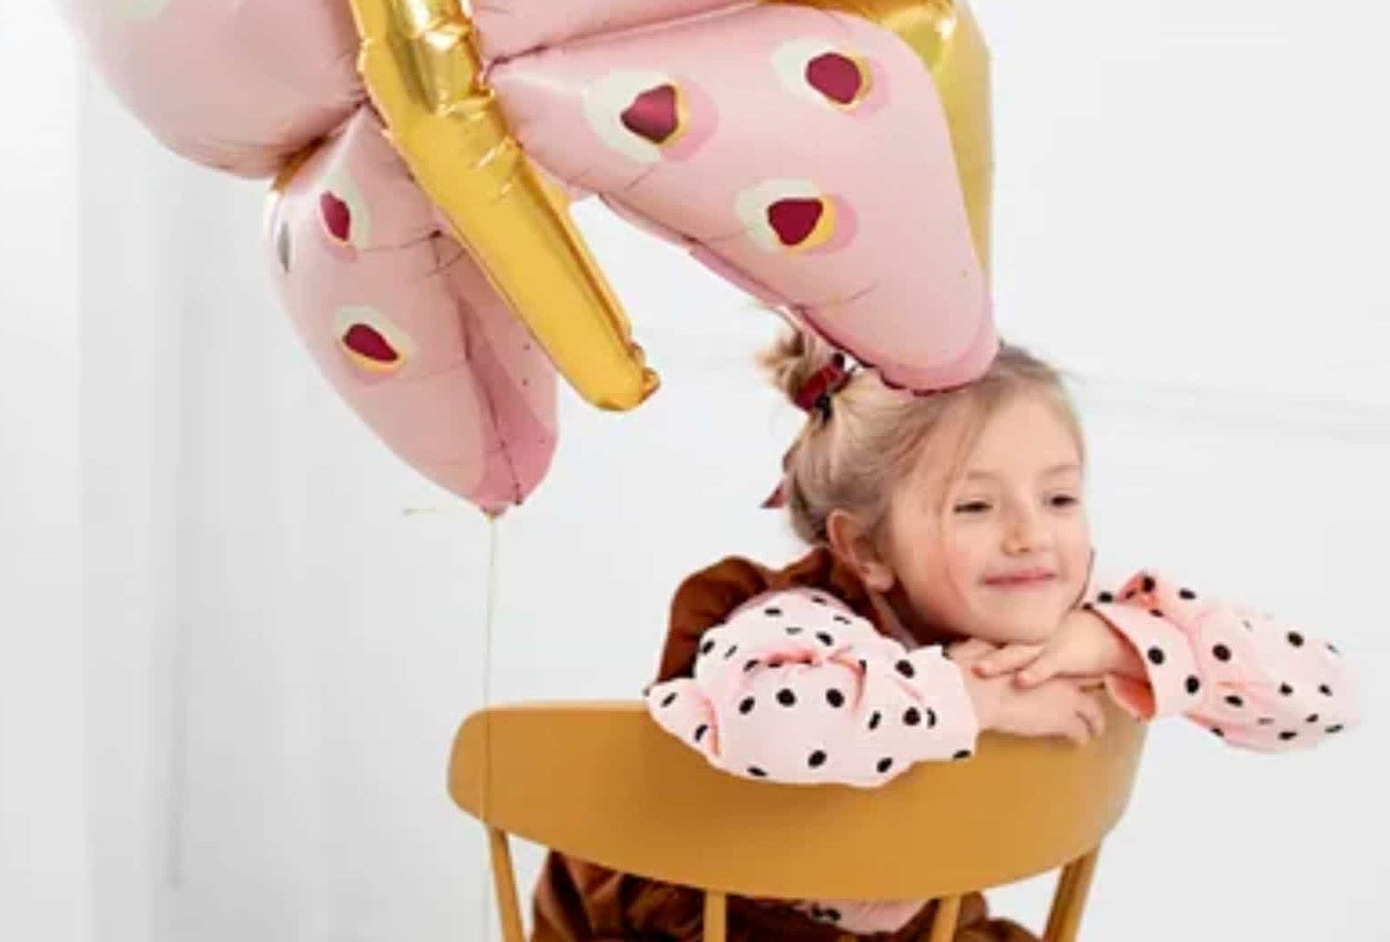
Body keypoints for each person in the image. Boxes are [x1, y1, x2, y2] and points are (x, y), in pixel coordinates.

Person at [531, 332, 1355, 941]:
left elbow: (1321, 699)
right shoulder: (797, 622)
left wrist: (1112, 645)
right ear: (865, 549)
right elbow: (770, 722)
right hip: (705, 926)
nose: (1031, 536)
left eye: (1060, 500)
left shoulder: (1064, 630)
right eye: (974, 506)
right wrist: (973, 697)